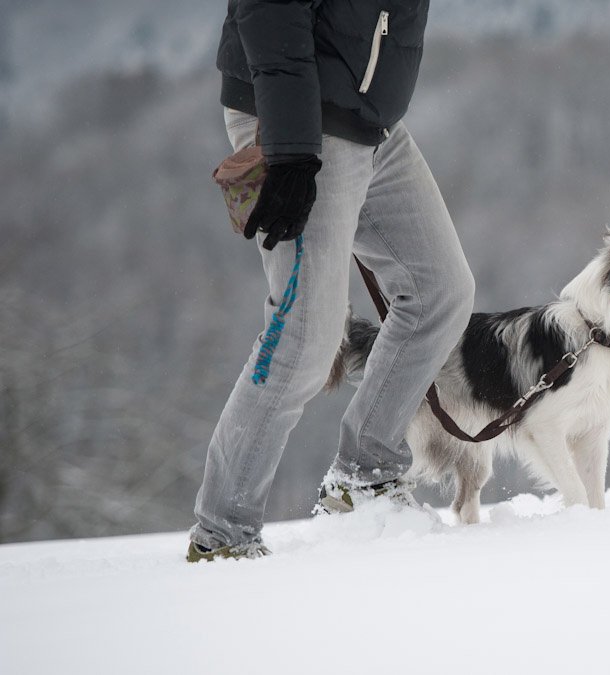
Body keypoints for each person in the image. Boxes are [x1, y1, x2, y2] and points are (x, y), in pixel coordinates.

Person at [187, 0, 475, 562]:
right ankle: (223, 534)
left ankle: (363, 479)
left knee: (440, 290)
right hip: (299, 120)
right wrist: (293, 150)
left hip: (372, 123)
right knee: (307, 338)